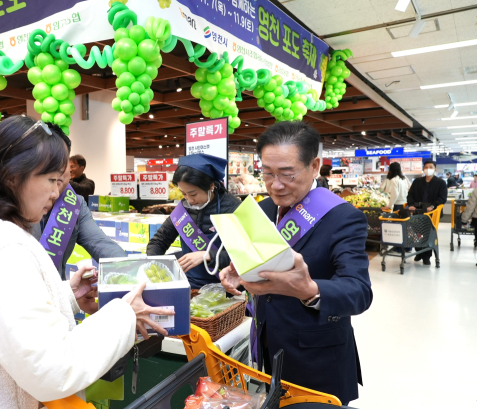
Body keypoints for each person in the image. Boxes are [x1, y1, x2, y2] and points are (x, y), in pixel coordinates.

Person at [0, 116, 172, 408]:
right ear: (14, 175)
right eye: (52, 180)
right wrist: (124, 315)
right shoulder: (9, 250)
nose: (56, 192)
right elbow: (53, 368)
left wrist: (67, 294)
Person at [219, 122, 372, 405]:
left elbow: (359, 291)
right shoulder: (261, 210)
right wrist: (238, 271)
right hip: (267, 352)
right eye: (267, 173)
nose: (275, 184)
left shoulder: (342, 217)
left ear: (314, 165)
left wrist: (310, 290)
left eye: (287, 174)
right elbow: (258, 263)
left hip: (318, 361)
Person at [32, 127, 126, 282]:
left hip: (58, 295)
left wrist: (131, 269)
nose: (57, 171)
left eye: (62, 162)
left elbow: (100, 244)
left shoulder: (74, 203)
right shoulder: (11, 204)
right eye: (48, 163)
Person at [147, 154, 241, 289]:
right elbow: (159, 240)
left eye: (193, 194)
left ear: (211, 186)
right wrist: (154, 268)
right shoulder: (183, 209)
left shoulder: (233, 208)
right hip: (189, 285)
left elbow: (244, 256)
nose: (189, 200)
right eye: (183, 194)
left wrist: (208, 255)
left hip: (225, 286)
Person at [406, 160, 448, 265]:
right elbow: (410, 194)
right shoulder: (417, 181)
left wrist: (432, 206)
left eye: (430, 167)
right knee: (416, 233)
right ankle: (419, 251)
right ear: (423, 169)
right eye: (426, 167)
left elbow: (442, 198)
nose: (428, 169)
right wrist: (411, 204)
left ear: (435, 169)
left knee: (428, 234)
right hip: (417, 212)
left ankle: (426, 256)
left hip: (432, 214)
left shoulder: (441, 183)